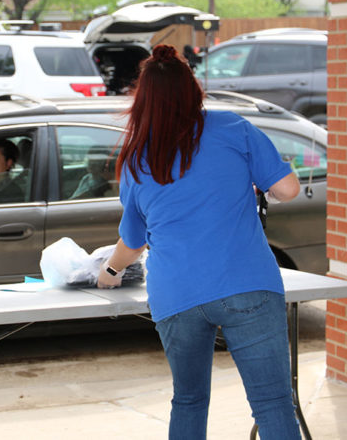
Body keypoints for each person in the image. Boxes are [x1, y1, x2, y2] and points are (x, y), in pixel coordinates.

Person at [97, 44, 302, 439]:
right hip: (248, 284)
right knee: (273, 403)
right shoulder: (232, 127)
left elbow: (133, 242)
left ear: (144, 100)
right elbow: (288, 189)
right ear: (193, 90)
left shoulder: (138, 158)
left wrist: (110, 270)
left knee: (188, 401)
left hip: (176, 296)